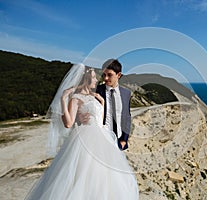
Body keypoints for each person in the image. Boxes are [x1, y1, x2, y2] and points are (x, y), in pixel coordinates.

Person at [25, 64, 139, 200]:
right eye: (95, 77)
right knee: (84, 174)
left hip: (105, 138)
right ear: (86, 80)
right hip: (85, 138)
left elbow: (119, 117)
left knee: (107, 176)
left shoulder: (99, 95)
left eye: (107, 76)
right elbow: (69, 122)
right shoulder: (80, 97)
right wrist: (64, 100)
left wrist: (102, 104)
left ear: (118, 75)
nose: (100, 80)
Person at [80, 59, 131, 151]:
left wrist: (124, 139)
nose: (105, 78)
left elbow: (127, 117)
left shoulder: (126, 93)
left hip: (119, 141)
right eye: (104, 75)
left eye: (109, 75)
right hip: (100, 139)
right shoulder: (96, 91)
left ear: (118, 75)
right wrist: (80, 117)